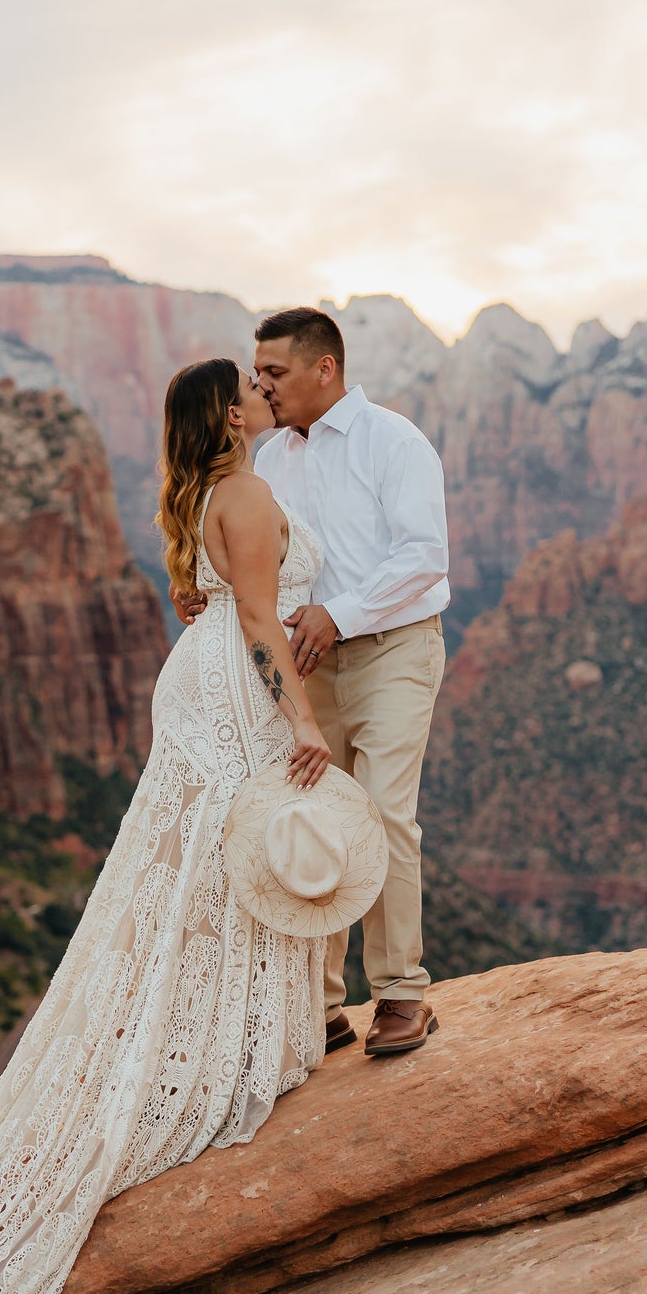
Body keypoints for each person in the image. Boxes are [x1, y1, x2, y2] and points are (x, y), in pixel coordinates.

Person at [0, 357, 332, 1294]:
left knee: (201, 864)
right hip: (232, 686)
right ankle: (222, 1053)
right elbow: (259, 615)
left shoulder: (215, 490)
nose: (265, 387)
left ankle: (223, 1037)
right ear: (229, 412)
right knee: (224, 862)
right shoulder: (248, 490)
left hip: (201, 672)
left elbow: (223, 597)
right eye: (250, 384)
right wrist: (301, 719)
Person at [253, 307, 449, 1056]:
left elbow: (423, 556)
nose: (261, 386)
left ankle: (400, 994)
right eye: (259, 373)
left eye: (274, 372)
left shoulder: (391, 440)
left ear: (322, 368)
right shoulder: (271, 459)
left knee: (382, 814)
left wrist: (338, 611)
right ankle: (322, 1008)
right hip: (309, 661)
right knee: (316, 818)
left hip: (393, 649)